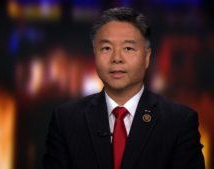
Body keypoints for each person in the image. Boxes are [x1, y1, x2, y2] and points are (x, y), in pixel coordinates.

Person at [43, 7, 205, 169]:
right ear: (95, 55)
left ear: (147, 58)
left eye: (128, 48)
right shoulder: (66, 120)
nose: (117, 58)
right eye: (106, 48)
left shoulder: (179, 122)